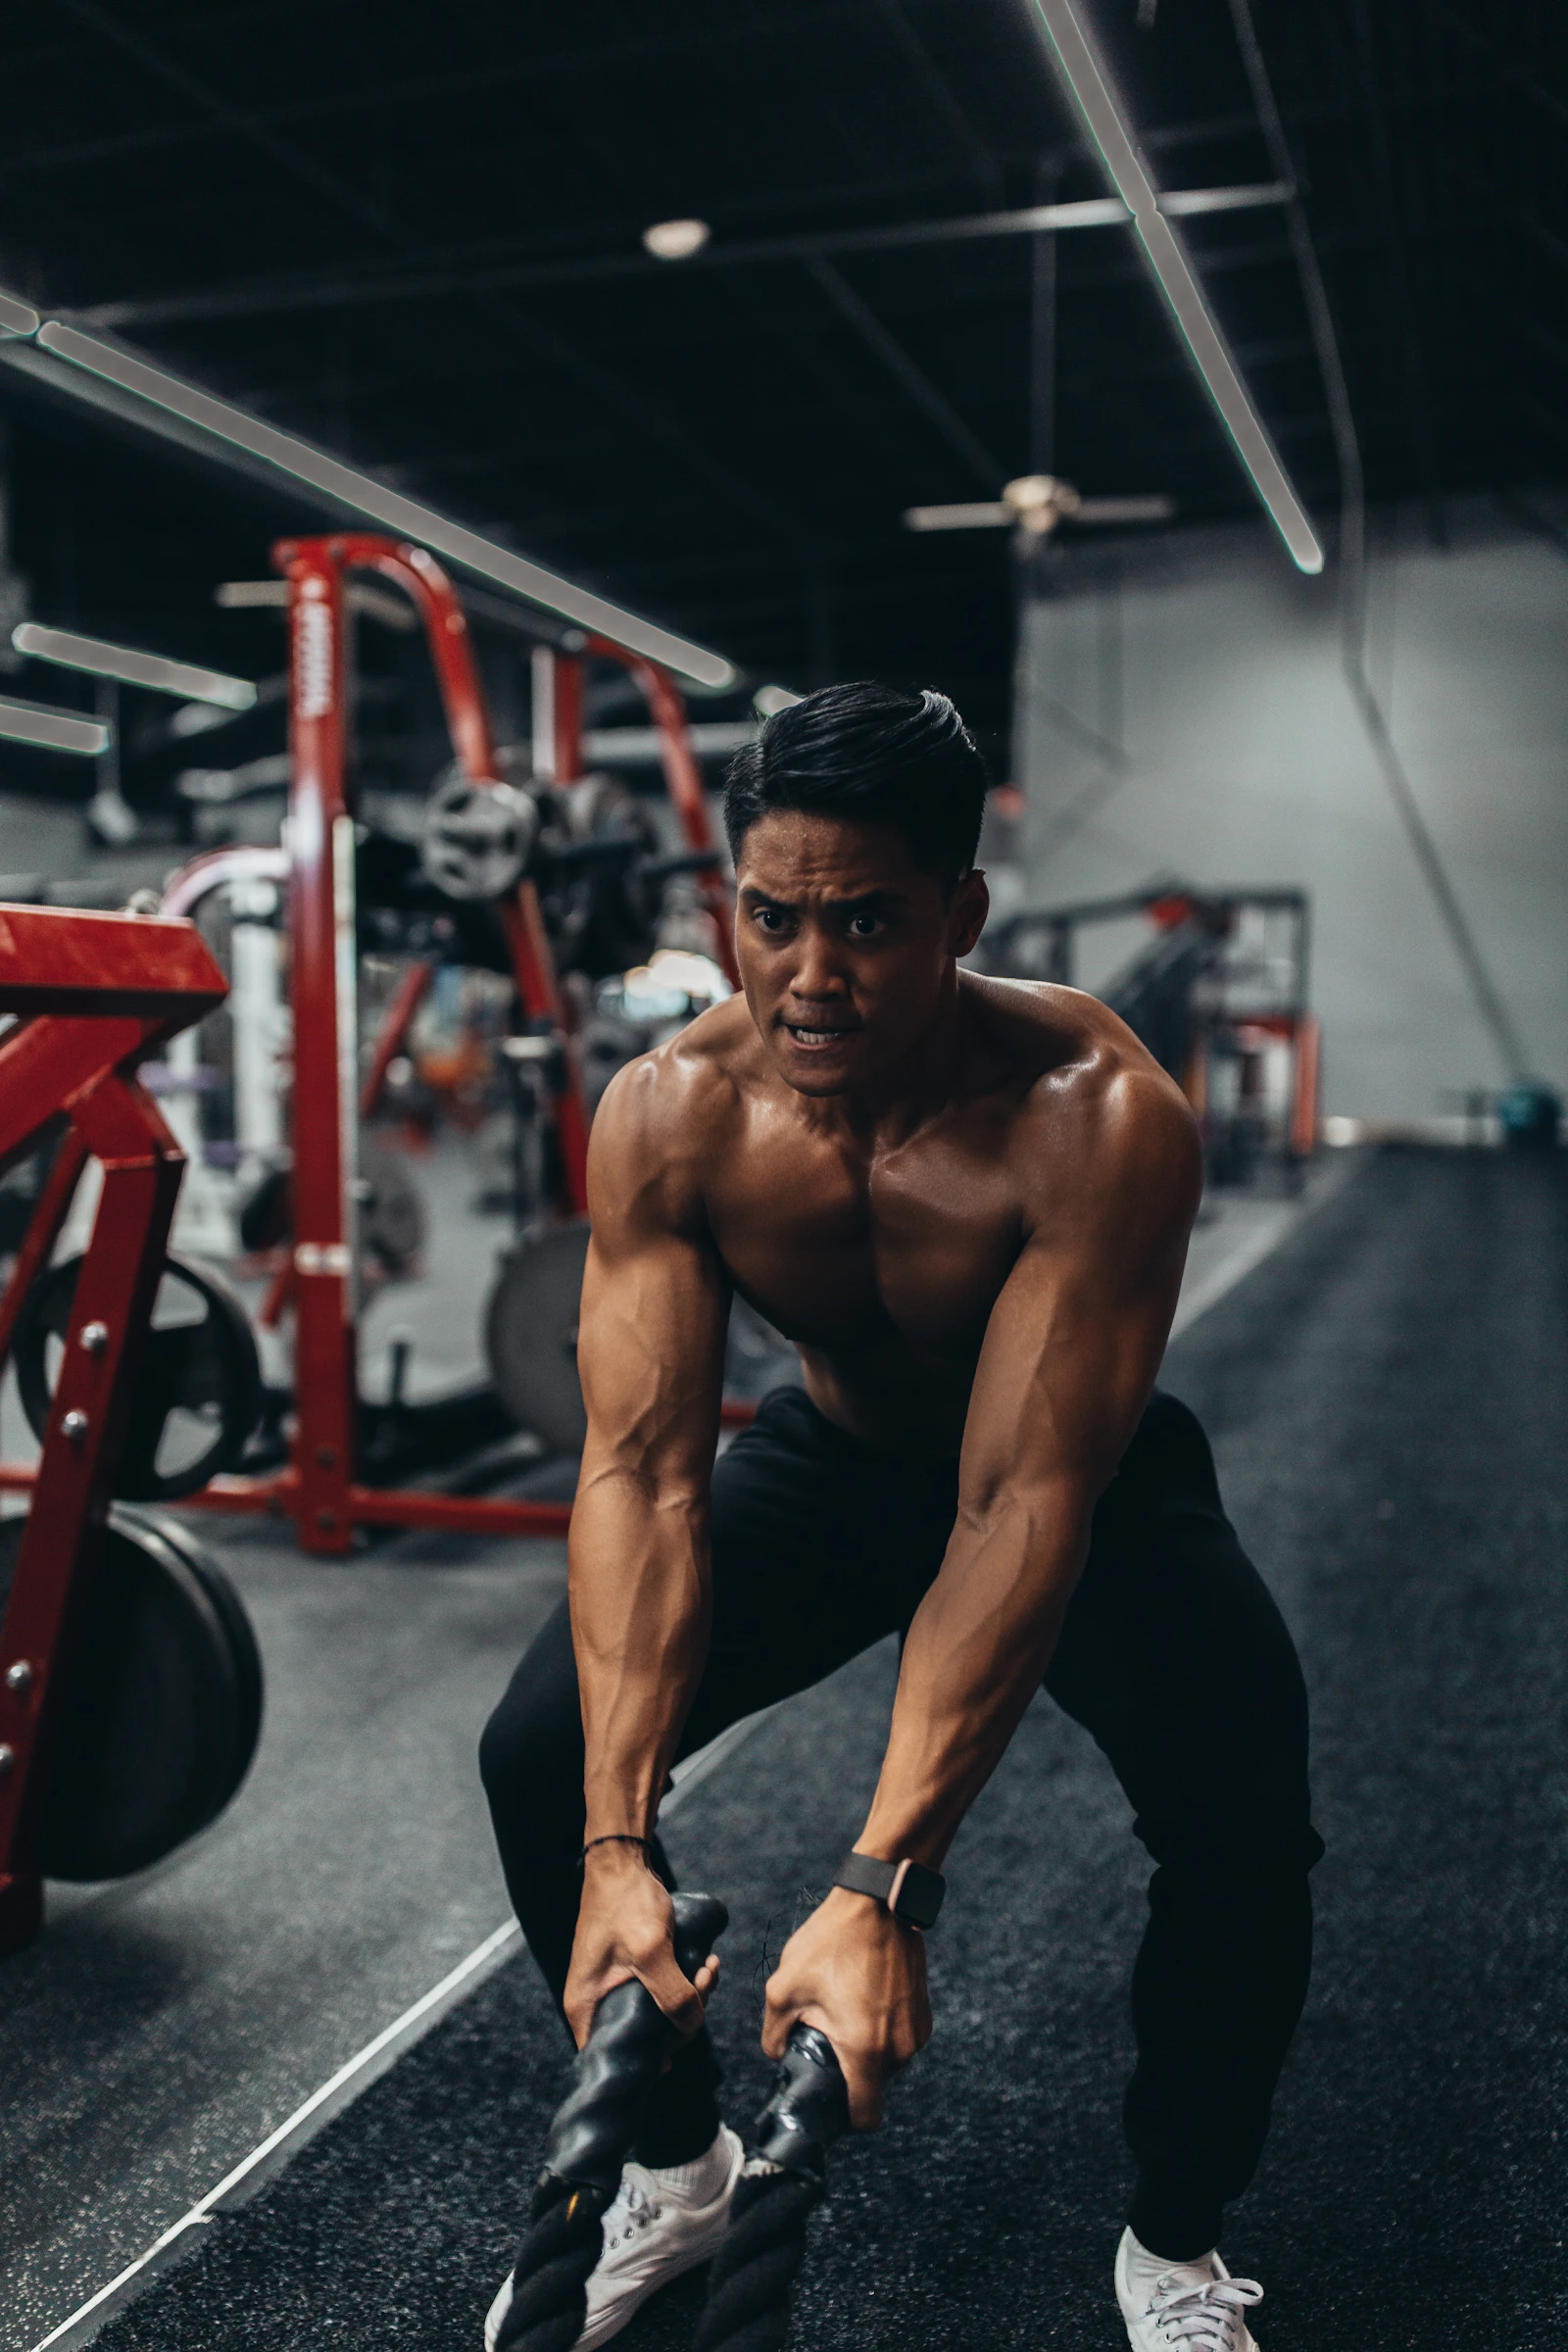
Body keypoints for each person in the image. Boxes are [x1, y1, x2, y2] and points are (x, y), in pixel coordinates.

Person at [480, 682, 1321, 2352]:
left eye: (864, 920)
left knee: (1244, 1832)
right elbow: (639, 1472)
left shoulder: (1096, 1114)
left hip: (1078, 1477)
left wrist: (881, 1884)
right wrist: (616, 1841)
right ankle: (682, 2164)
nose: (809, 975)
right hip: (837, 1453)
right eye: (771, 917)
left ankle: (1174, 2242)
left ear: (963, 912)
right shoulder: (672, 1112)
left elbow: (1020, 1502)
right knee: (542, 1749)